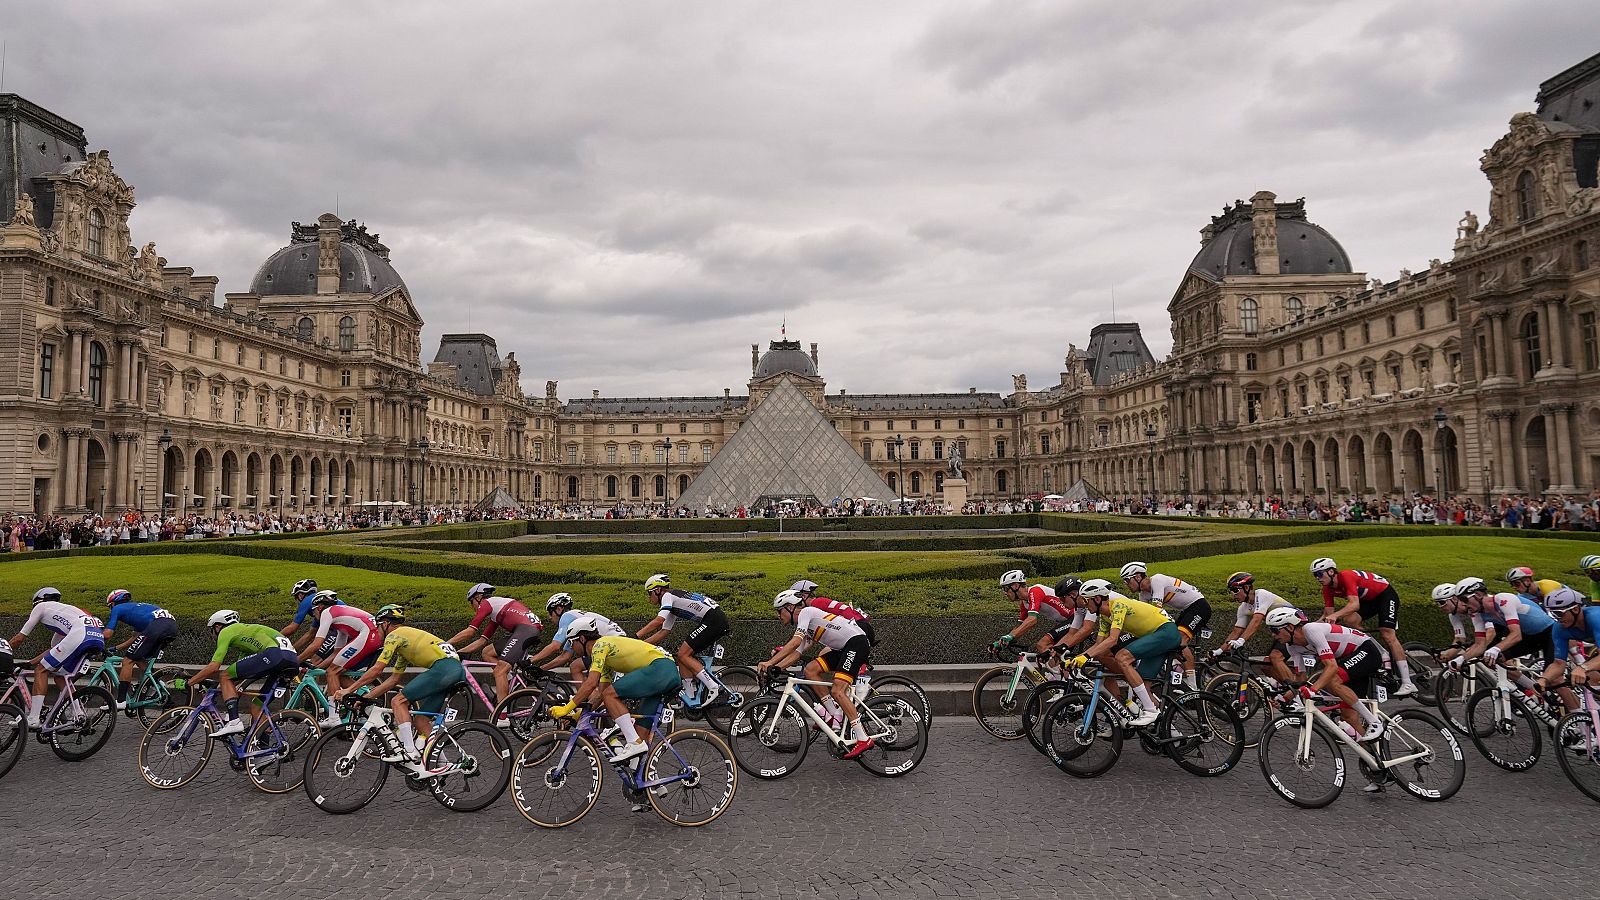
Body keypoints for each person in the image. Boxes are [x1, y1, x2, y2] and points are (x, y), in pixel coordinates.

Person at [335, 605, 465, 769]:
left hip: (444, 669)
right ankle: (442, 766)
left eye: (378, 627)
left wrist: (348, 690)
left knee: (398, 701)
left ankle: (409, 751)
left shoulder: (394, 636)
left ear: (385, 623)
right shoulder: (406, 641)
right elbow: (393, 680)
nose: (378, 633)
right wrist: (365, 698)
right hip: (454, 670)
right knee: (421, 720)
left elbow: (377, 669)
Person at [547, 614, 681, 764]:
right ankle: (651, 782)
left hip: (660, 668)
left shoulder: (600, 645)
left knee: (611, 695)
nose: (571, 647)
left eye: (571, 642)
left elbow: (591, 683)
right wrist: (580, 713)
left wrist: (567, 708)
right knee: (639, 740)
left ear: (582, 639)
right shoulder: (606, 658)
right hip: (665, 672)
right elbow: (599, 693)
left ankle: (633, 744)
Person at [757, 591, 876, 759]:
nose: (778, 616)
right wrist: (775, 669)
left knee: (837, 691)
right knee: (810, 670)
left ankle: (863, 738)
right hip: (843, 649)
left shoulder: (806, 612)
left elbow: (795, 642)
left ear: (790, 607)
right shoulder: (805, 624)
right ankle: (834, 715)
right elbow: (796, 654)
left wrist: (770, 663)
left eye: (779, 611)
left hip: (856, 643)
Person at [1263, 606, 1386, 747]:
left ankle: (1375, 722)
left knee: (1332, 680)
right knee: (1348, 719)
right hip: (1347, 662)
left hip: (1365, 650)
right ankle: (1375, 760)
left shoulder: (1311, 630)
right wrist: (1284, 697)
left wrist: (1313, 689)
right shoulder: (1293, 646)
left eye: (1275, 630)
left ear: (1290, 627)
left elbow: (1331, 666)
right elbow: (1301, 678)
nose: (1273, 635)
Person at [1450, 576, 1572, 715]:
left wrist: (1496, 648)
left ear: (1478, 595)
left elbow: (1516, 634)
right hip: (1531, 637)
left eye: (1464, 599)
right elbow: (1480, 644)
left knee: (1555, 679)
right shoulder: (1477, 614)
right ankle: (1537, 690)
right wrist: (1460, 659)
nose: (1464, 605)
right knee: (1500, 659)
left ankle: (1580, 717)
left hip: (1550, 633)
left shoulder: (1503, 600)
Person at [1068, 578, 1179, 726]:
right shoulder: (1105, 618)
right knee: (1143, 689)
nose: (1085, 605)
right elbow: (1099, 644)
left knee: (1122, 657)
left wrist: (1086, 657)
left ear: (1098, 599)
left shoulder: (1118, 606)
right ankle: (1169, 730)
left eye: (1087, 601)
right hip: (1156, 636)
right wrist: (1078, 658)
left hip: (1166, 631)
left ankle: (1151, 711)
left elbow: (1113, 640)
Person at [184, 610, 299, 739]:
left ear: (217, 626)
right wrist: (221, 688)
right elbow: (239, 674)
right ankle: (267, 750)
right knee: (257, 707)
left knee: (224, 675)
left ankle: (234, 721)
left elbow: (214, 667)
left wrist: (189, 683)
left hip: (274, 654)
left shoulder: (226, 631)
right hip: (292, 660)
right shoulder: (245, 635)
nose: (212, 635)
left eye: (211, 630)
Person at [1311, 557, 1416, 697]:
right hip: (1368, 600)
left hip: (1385, 595)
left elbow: (1354, 605)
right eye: (1315, 575)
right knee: (1350, 621)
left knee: (1387, 634)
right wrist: (1311, 626)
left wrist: (1335, 616)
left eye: (1319, 574)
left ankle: (1407, 682)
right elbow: (1328, 615)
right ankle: (1378, 650)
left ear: (1331, 571)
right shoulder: (1327, 589)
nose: (1317, 578)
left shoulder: (1346, 576)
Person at [9, 587, 106, 729]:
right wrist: (30, 663)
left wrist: (4, 651)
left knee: (41, 671)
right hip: (96, 635)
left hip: (81, 633)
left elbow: (19, 638)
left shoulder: (41, 606)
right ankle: (79, 715)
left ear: (38, 601)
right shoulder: (65, 616)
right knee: (61, 677)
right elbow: (53, 650)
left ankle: (33, 719)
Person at [636, 574, 730, 708]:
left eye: (649, 593)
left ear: (657, 590)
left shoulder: (667, 596)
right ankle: (689, 697)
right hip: (714, 619)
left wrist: (637, 636)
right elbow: (664, 631)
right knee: (682, 656)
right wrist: (642, 644)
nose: (649, 597)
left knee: (683, 654)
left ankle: (713, 686)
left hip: (713, 620)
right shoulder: (672, 602)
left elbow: (659, 621)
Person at [447, 583, 543, 712]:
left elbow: (470, 632)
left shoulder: (487, 603)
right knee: (487, 652)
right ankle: (507, 679)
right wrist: (457, 652)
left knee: (499, 671)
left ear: (479, 597)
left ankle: (502, 714)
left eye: (472, 602)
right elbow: (481, 641)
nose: (473, 606)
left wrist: (446, 644)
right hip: (525, 630)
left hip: (525, 630)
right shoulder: (497, 611)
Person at [1120, 561, 1210, 691]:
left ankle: (1193, 686)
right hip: (1186, 610)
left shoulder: (1157, 580)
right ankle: (1177, 668)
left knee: (1179, 640)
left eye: (1127, 580)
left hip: (1199, 606)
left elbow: (1156, 610)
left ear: (1138, 576)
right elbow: (1144, 616)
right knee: (1171, 639)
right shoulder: (1143, 594)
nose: (1126, 584)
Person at [298, 589, 378, 727]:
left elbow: (317, 644)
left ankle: (333, 718)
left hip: (368, 634)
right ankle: (364, 697)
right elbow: (337, 653)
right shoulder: (341, 619)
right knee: (337, 672)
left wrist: (296, 660)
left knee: (332, 672)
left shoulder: (327, 613)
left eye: (314, 610)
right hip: (373, 634)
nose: (313, 614)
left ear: (320, 607)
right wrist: (317, 667)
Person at [101, 589, 178, 711]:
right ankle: (158, 687)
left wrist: (93, 635)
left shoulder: (118, 608)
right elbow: (135, 638)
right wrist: (115, 648)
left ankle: (121, 701)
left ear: (114, 603)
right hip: (170, 627)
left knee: (127, 661)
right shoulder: (138, 609)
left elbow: (108, 634)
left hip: (158, 626)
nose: (111, 609)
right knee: (138, 657)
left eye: (110, 606)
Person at [523, 593, 626, 683]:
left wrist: (530, 661)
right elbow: (565, 656)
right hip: (618, 642)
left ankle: (590, 702)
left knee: (595, 683)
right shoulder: (576, 624)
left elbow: (555, 646)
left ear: (559, 609)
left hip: (613, 646)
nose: (550, 617)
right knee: (575, 666)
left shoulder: (566, 617)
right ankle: (588, 701)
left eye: (550, 613)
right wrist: (541, 669)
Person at [993, 569, 1076, 660]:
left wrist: (1011, 636)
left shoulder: (1035, 591)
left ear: (1015, 586)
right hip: (1067, 622)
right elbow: (1020, 627)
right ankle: (1062, 673)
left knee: (1042, 645)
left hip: (1075, 618)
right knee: (1052, 654)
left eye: (1006, 588)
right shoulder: (1025, 603)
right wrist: (1000, 642)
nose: (1005, 593)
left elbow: (1032, 620)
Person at [1212, 572, 1291, 658]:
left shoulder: (1261, 594)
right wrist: (1219, 651)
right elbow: (1236, 631)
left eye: (1235, 590)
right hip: (1281, 632)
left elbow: (1257, 620)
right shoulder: (1243, 608)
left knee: (1275, 658)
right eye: (1231, 591)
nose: (1233, 595)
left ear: (1246, 587)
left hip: (1294, 628)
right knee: (1266, 666)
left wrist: (1241, 640)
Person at [1546, 587, 1600, 707]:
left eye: (1559, 613)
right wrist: (1544, 679)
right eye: (1552, 614)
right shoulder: (1559, 628)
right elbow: (1559, 664)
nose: (1557, 618)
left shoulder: (1596, 617)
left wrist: (1582, 668)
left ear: (1575, 609)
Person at [791, 579, 876, 645]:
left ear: (804, 596)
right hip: (862, 625)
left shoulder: (814, 605)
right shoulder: (819, 601)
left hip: (857, 627)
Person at [280, 578, 329, 652]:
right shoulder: (319, 608)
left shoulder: (307, 600)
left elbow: (292, 628)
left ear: (301, 595)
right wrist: (291, 651)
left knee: (315, 659)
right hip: (348, 622)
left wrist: (274, 637)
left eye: (296, 597)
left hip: (343, 627)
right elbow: (310, 635)